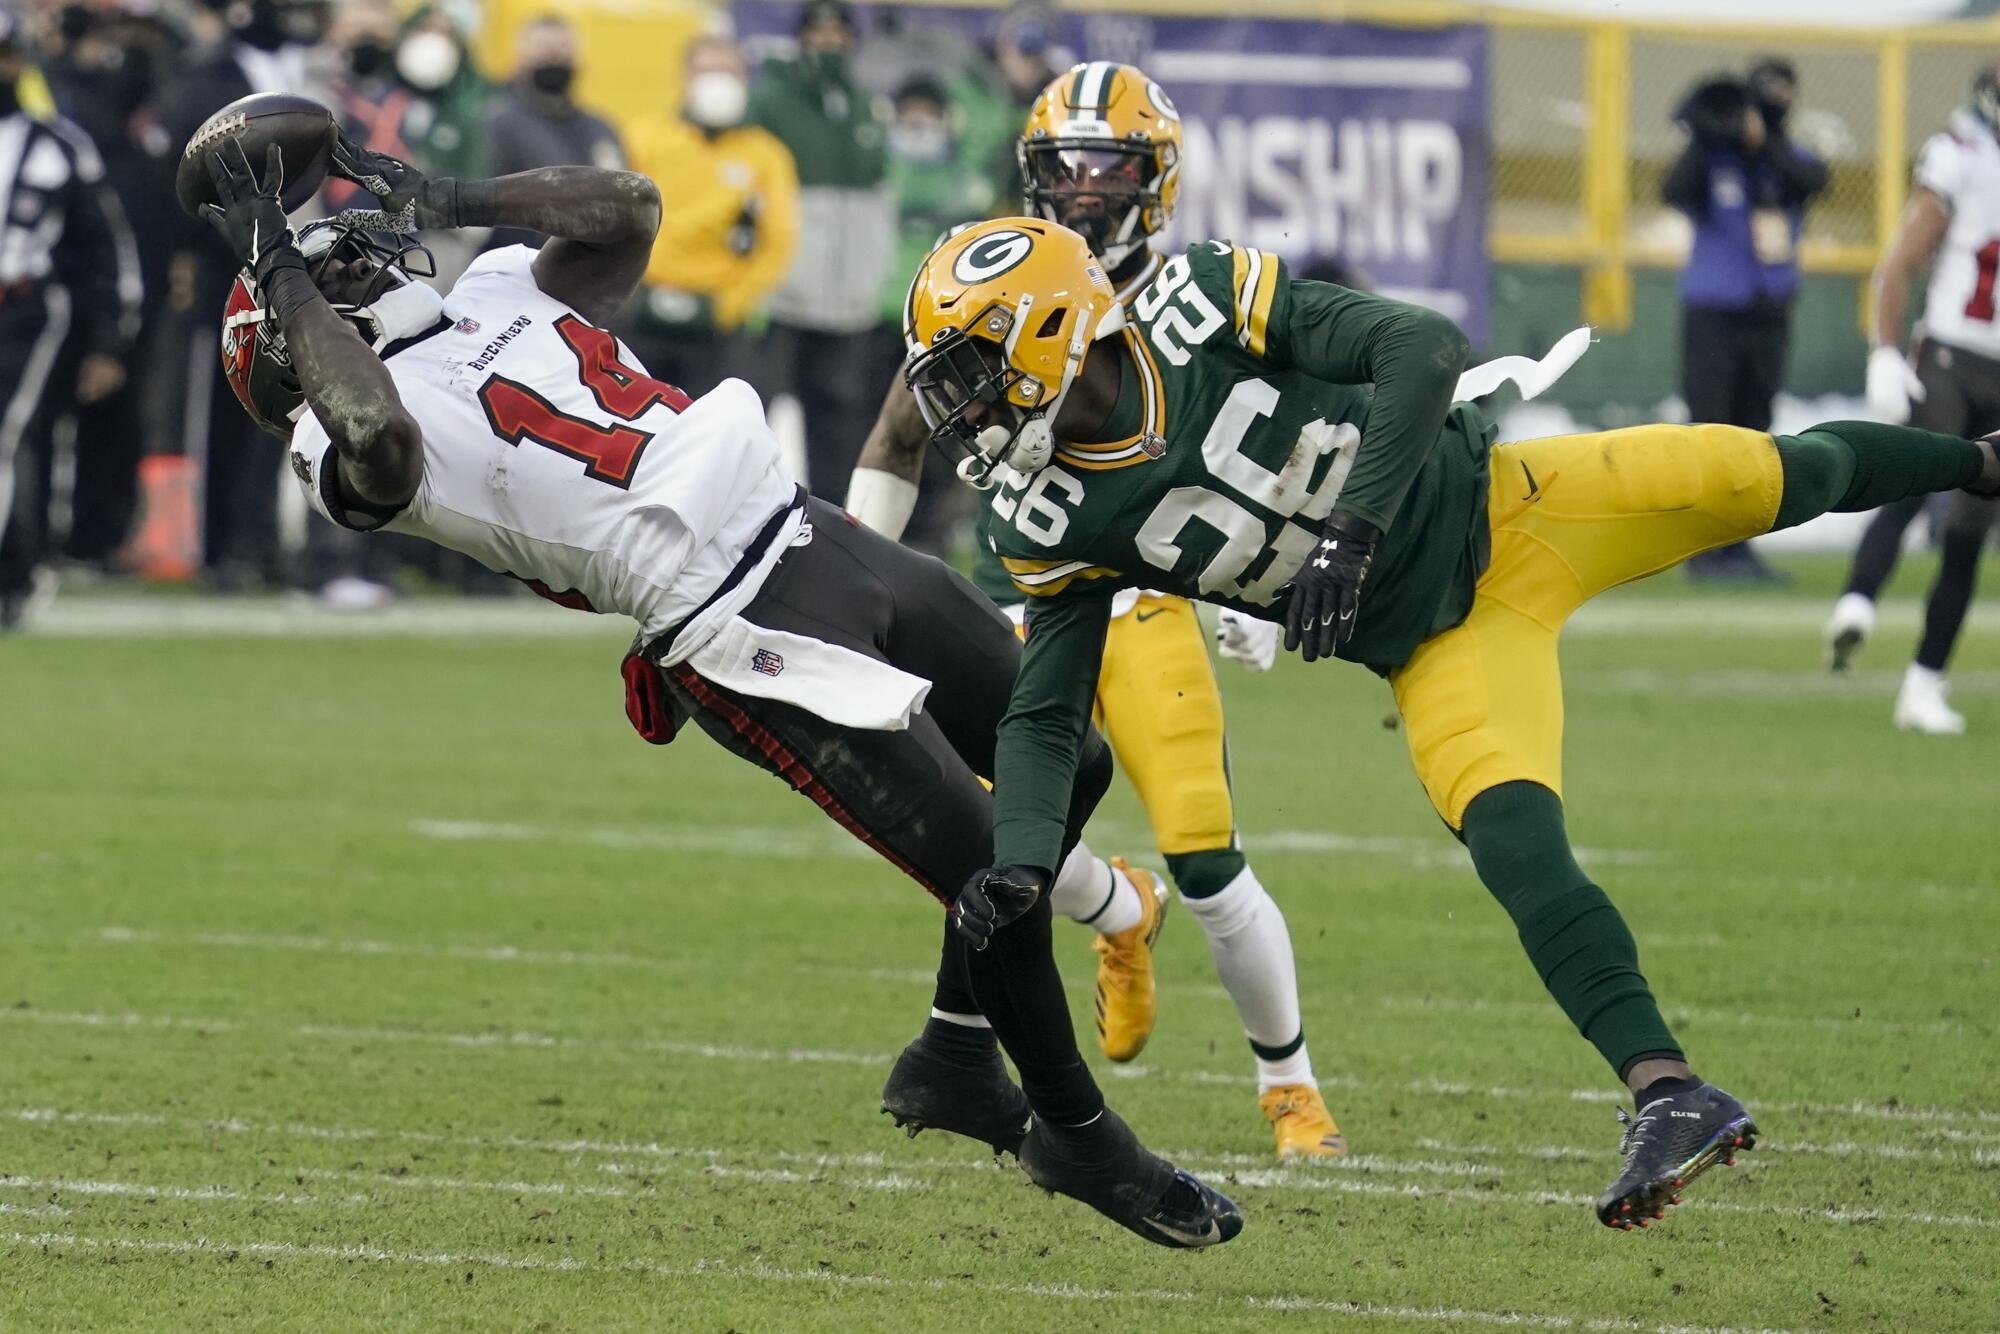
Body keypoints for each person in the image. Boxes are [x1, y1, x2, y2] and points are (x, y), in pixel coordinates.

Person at [191, 126, 1240, 1250]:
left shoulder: (494, 284)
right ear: (295, 345)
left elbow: (627, 209)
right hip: (728, 621)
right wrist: (285, 278)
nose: (348, 255)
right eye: (321, 271)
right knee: (996, 867)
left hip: (803, 528)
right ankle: (1078, 1133)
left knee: (1065, 754)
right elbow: (380, 432)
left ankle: (950, 1051)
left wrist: (447, 191)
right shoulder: (328, 431)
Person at [900, 215, 2000, 1228]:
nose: (964, 411)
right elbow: (1044, 708)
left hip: (1516, 503)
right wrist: (1024, 859)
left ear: (1049, 334)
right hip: (1436, 645)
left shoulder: (1193, 302)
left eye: (973, 375)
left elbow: (1419, 347)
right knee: (1514, 838)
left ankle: (1984, 460)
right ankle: (1669, 1091)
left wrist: (1350, 529)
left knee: (1779, 472)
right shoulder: (1040, 511)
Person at [848, 64, 1345, 1160]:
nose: (1080, 187)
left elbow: (1289, 429)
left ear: (1152, 177)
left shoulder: (1191, 294)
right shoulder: (995, 283)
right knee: (980, 845)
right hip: (1026, 597)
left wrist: (1265, 571)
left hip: (1155, 592)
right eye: (1060, 165)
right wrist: (859, 584)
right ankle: (1118, 907)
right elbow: (896, 434)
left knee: (1205, 848)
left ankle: (1289, 1085)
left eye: (1107, 162)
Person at [1824, 65, 2000, 734]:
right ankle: (1867, 614)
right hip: (1953, 355)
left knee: (1964, 531)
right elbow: (1900, 259)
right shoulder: (1961, 155)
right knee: (1916, 494)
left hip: (1978, 364)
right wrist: (1885, 348)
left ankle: (1907, 665)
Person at [0, 12, 142, 628]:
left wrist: (110, 338)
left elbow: (106, 249)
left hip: (25, 309)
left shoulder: (58, 145)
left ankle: (15, 572)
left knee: (10, 435)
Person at [1664, 58, 1828, 582]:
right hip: (1714, 311)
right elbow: (1672, 189)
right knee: (1709, 427)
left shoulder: (1786, 159)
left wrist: (1765, 144)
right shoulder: (1710, 159)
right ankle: (1697, 549)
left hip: (1769, 313)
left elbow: (1813, 178)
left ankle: (1735, 547)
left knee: (1754, 432)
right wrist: (1704, 130)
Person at [747, 0, 896, 498]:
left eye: (839, 32)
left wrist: (870, 282)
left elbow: (877, 204)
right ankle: (739, 519)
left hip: (845, 301)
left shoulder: (863, 104)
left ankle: (833, 528)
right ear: (801, 36)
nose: (830, 41)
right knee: (754, 416)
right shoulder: (770, 99)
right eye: (819, 31)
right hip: (782, 296)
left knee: (839, 423)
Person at [621, 33, 797, 399]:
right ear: (685, 78)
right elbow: (615, 222)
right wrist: (629, 290)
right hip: (641, 311)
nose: (717, 82)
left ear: (746, 80)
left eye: (728, 72)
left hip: (723, 325)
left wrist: (731, 304)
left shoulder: (766, 155)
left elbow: (778, 241)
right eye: (706, 71)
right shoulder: (643, 138)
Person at [480, 14, 623, 253]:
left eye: (562, 50)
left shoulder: (601, 129)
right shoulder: (496, 124)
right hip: (514, 267)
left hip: (587, 273)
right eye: (544, 51)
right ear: (520, 59)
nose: (554, 58)